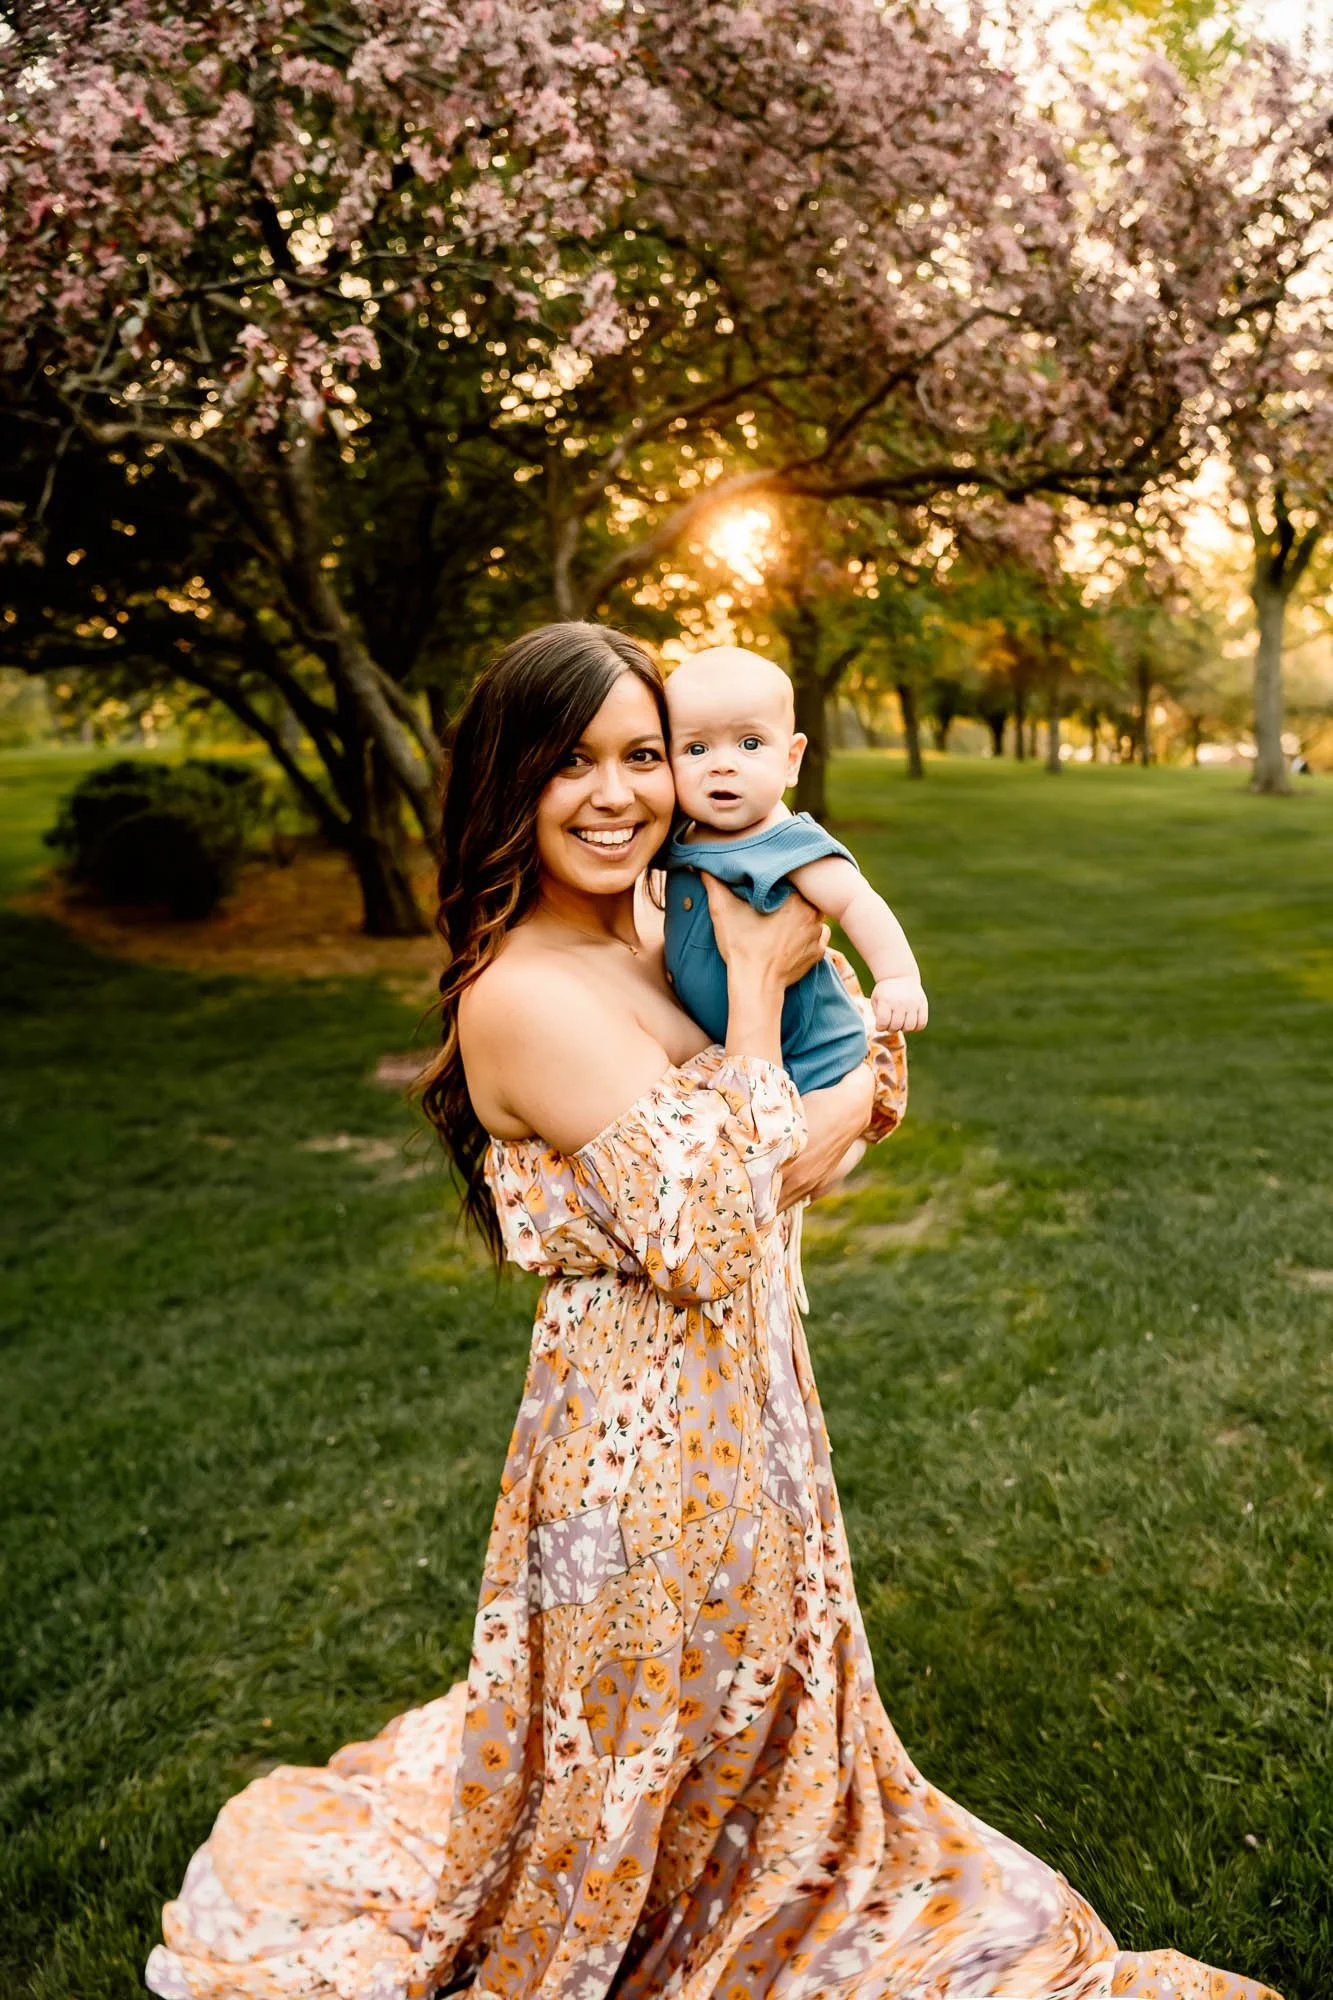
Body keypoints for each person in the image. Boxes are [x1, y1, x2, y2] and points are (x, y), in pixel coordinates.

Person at [146, 624, 1281, 2000]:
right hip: (636, 1450)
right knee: (646, 1737)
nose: (618, 793)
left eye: (644, 754)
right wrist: (755, 996)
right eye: (571, 763)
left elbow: (848, 1088)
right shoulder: (525, 995)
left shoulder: (650, 929)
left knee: (748, 1724)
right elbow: (704, 1232)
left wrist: (805, 1105)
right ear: (509, 781)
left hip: (753, 1400)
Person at [662, 646, 927, 1096]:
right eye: (696, 748)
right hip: (731, 1043)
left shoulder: (789, 843)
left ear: (791, 760)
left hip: (810, 1053)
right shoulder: (681, 834)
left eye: (750, 744)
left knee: (784, 1135)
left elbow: (856, 901)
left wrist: (897, 977)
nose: (722, 764)